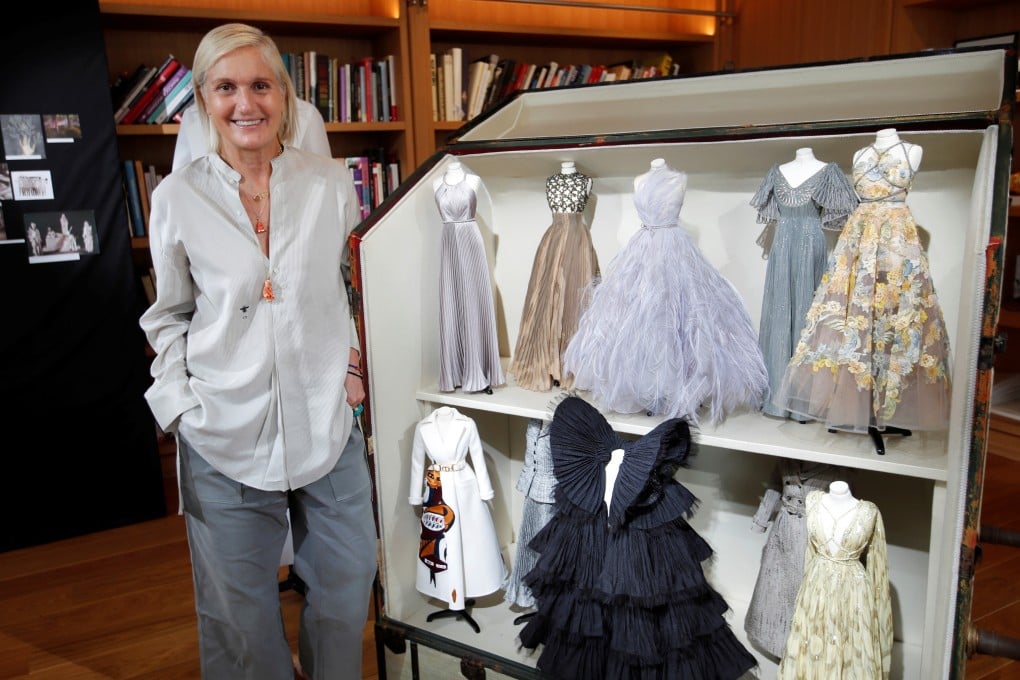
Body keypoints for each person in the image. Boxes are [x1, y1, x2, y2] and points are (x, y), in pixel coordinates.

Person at [138, 23, 376, 680]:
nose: (246, 103)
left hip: (327, 418)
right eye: (226, 87)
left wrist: (354, 367)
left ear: (286, 97)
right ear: (205, 101)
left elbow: (349, 286)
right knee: (238, 612)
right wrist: (182, 407)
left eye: (260, 85)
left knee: (349, 576)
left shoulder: (331, 184)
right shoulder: (177, 199)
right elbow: (168, 318)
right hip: (223, 429)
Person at [774, 128, 952, 435]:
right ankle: (853, 405)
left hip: (897, 241)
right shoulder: (860, 154)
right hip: (859, 242)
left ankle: (886, 407)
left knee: (895, 321)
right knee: (851, 318)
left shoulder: (913, 150)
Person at [563, 158, 768, 425]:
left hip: (675, 249)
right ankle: (647, 388)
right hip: (643, 250)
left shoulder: (678, 180)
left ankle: (674, 387)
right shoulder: (639, 179)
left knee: (679, 318)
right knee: (639, 320)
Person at [749, 148, 857, 419]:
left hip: (812, 244)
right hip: (782, 246)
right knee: (780, 311)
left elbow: (844, 211)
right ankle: (776, 396)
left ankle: (804, 400)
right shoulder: (776, 172)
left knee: (809, 314)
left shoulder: (829, 171)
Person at [778, 481, 893, 679]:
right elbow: (810, 552)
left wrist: (879, 617)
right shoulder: (813, 500)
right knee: (811, 643)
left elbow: (878, 567)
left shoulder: (869, 511)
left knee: (849, 647)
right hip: (816, 588)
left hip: (854, 592)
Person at [509, 160, 599, 391]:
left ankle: (571, 366)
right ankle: (546, 361)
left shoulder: (585, 181)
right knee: (546, 300)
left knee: (575, 301)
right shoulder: (550, 181)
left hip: (578, 243)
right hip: (552, 241)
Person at [432, 159, 505, 393]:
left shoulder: (473, 180)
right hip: (448, 243)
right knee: (451, 303)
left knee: (473, 303)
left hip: (471, 241)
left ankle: (478, 371)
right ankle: (455, 372)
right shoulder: (436, 184)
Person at [172, 92, 330, 171]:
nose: (245, 106)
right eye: (226, 87)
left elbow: (327, 189)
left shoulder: (307, 114)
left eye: (259, 85)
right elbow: (180, 201)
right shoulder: (192, 118)